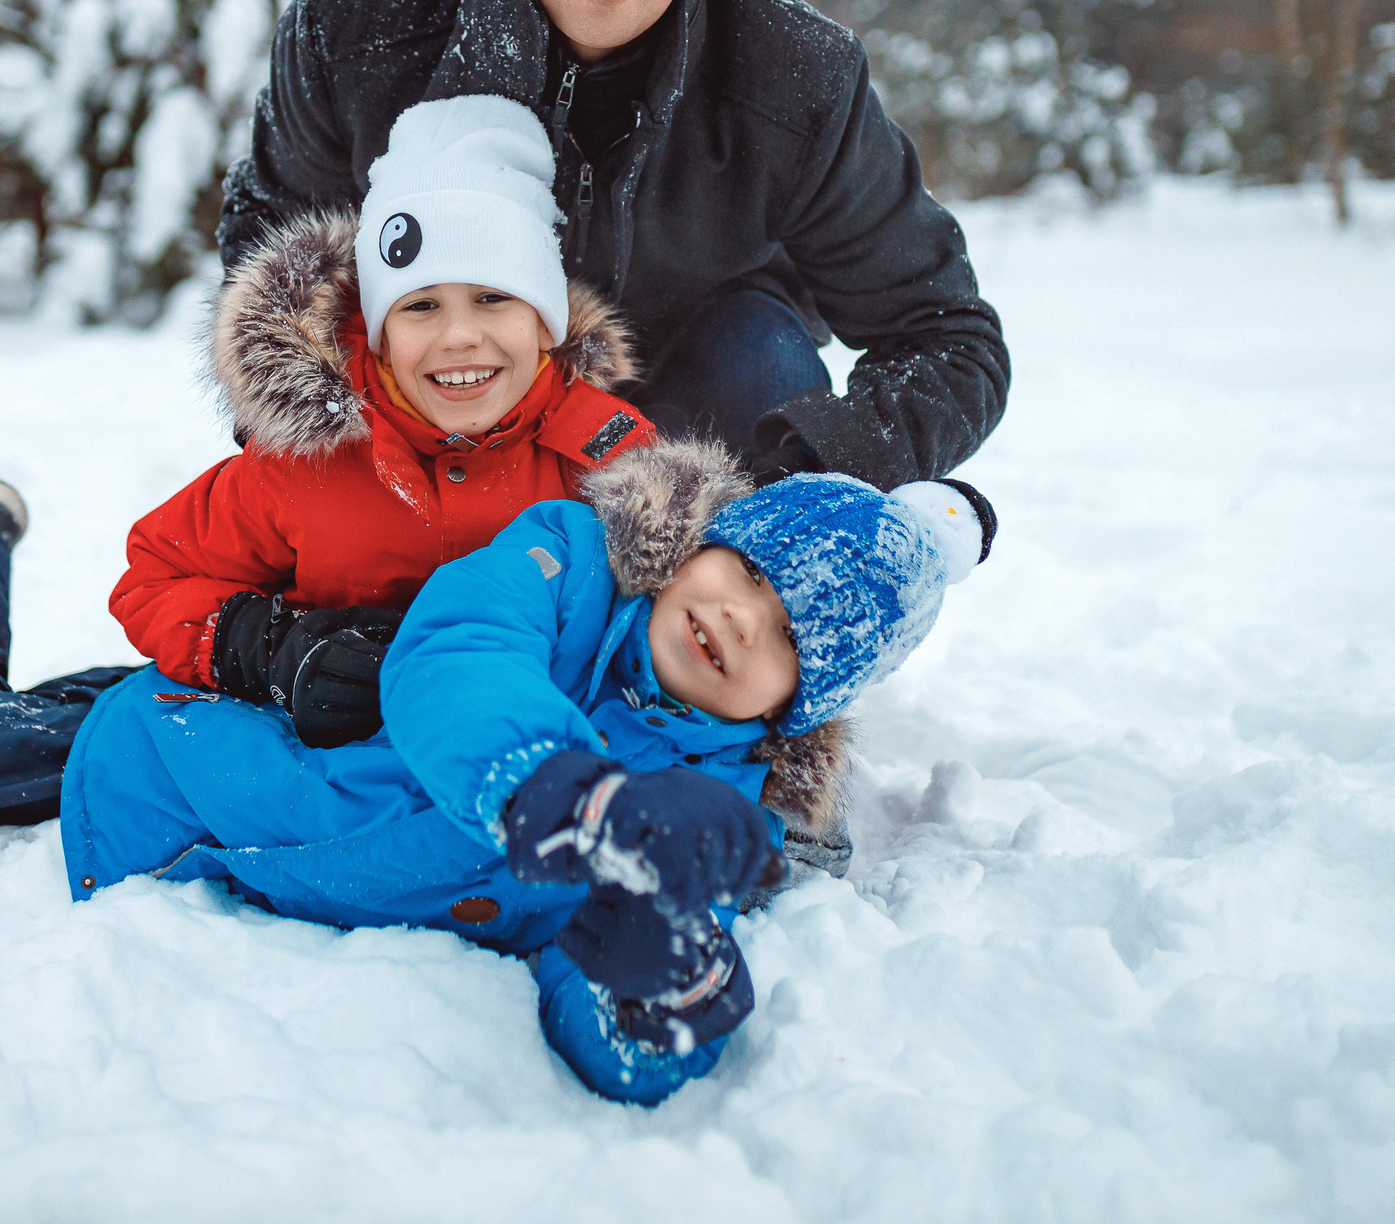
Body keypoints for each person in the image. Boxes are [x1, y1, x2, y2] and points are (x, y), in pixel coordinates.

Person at [0, 97, 657, 891]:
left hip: (412, 767)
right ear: (378, 327)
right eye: (422, 304)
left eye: (495, 297)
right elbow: (153, 576)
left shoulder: (611, 469)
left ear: (545, 318)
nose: (459, 335)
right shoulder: (312, 458)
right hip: (251, 723)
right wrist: (270, 650)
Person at [219, 0, 1009, 492]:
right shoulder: (357, 26)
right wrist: (330, 529)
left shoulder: (796, 79)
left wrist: (798, 484)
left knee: (759, 351)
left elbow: (948, 338)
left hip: (704, 431)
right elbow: (275, 288)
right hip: (438, 436)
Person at [60, 437, 997, 1104]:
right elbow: (461, 654)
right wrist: (564, 791)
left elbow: (597, 997)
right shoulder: (568, 559)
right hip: (157, 767)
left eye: (792, 636)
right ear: (707, 539)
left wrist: (664, 989)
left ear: (801, 702)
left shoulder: (712, 808)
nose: (746, 619)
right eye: (750, 572)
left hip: (239, 915)